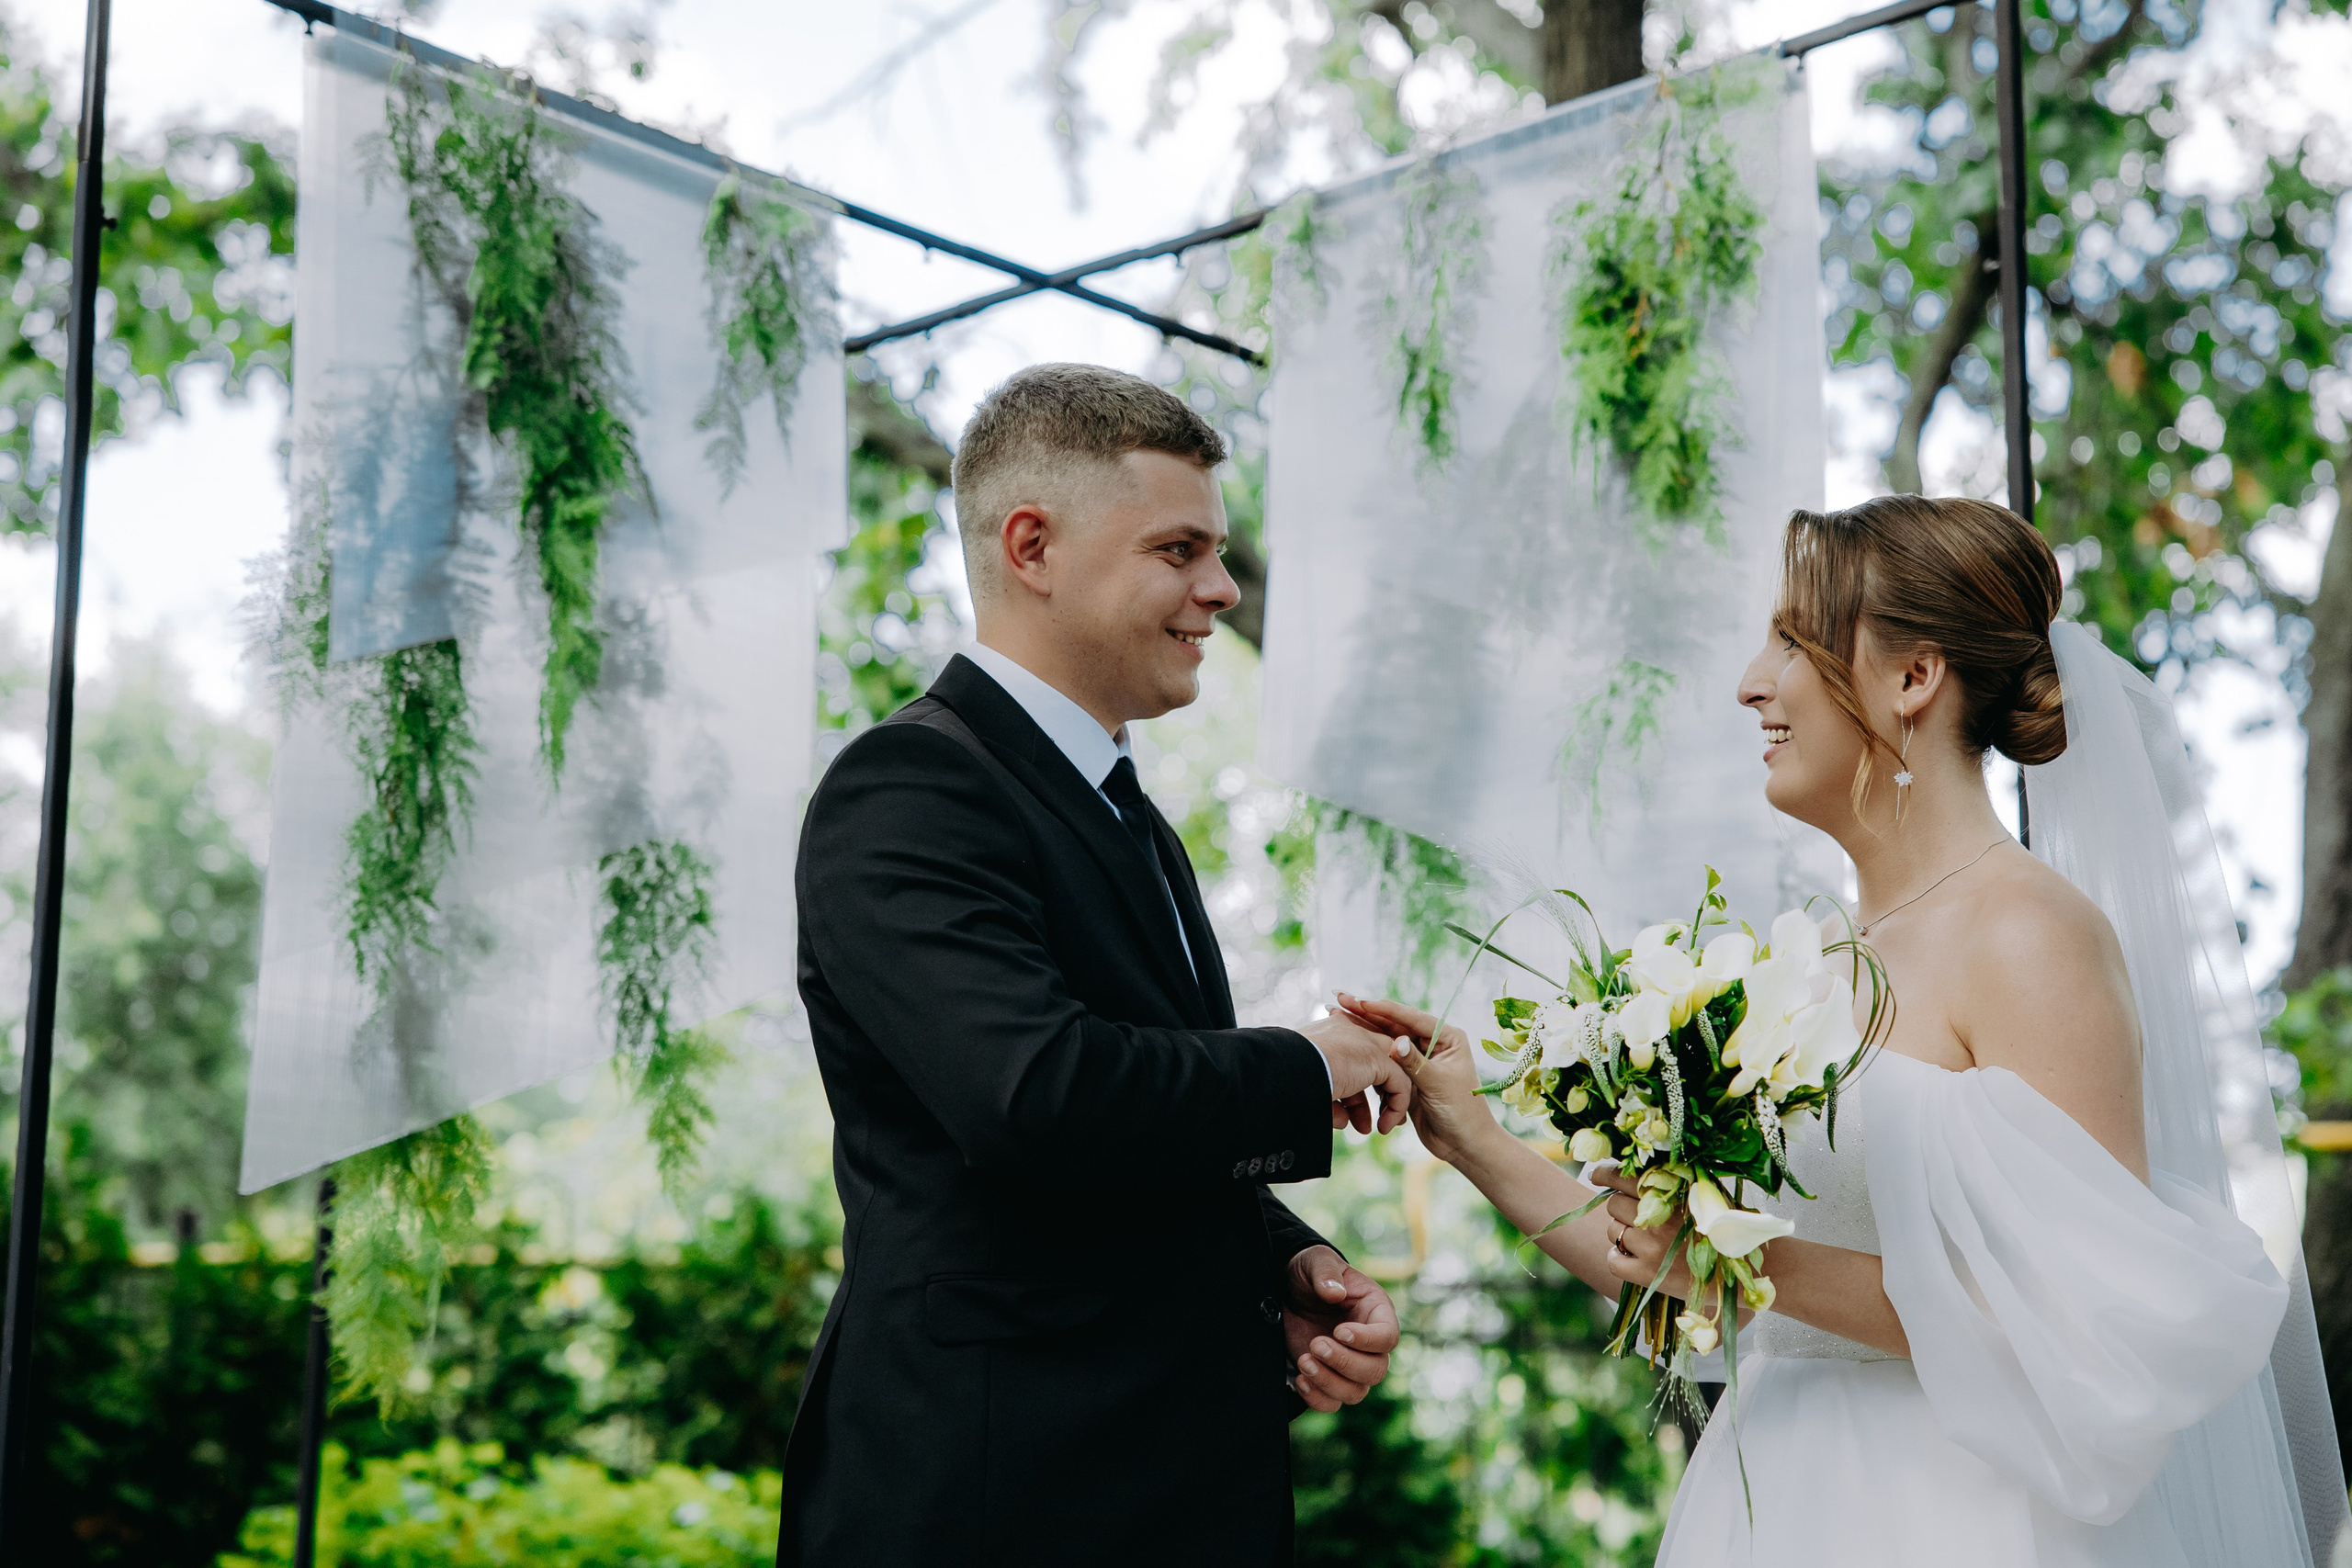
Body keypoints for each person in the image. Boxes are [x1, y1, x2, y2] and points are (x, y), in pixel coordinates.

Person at [1363, 495, 2346, 1565]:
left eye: (1791, 641)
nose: (1751, 682)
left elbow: (2085, 1313)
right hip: (1775, 1495)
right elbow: (1687, 1270)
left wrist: (1748, 1262)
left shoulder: (2026, 934)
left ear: (1913, 677)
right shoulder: (1815, 957)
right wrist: (1471, 1134)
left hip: (1957, 1509)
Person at [780, 363, 1420, 1566]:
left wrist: (1277, 1252)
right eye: (1180, 549)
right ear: (1034, 546)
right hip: (997, 1501)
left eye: (1219, 553)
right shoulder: (910, 788)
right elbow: (1037, 1093)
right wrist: (1299, 1065)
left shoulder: (1130, 816)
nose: (1222, 589)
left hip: (1163, 1487)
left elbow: (1129, 1123)